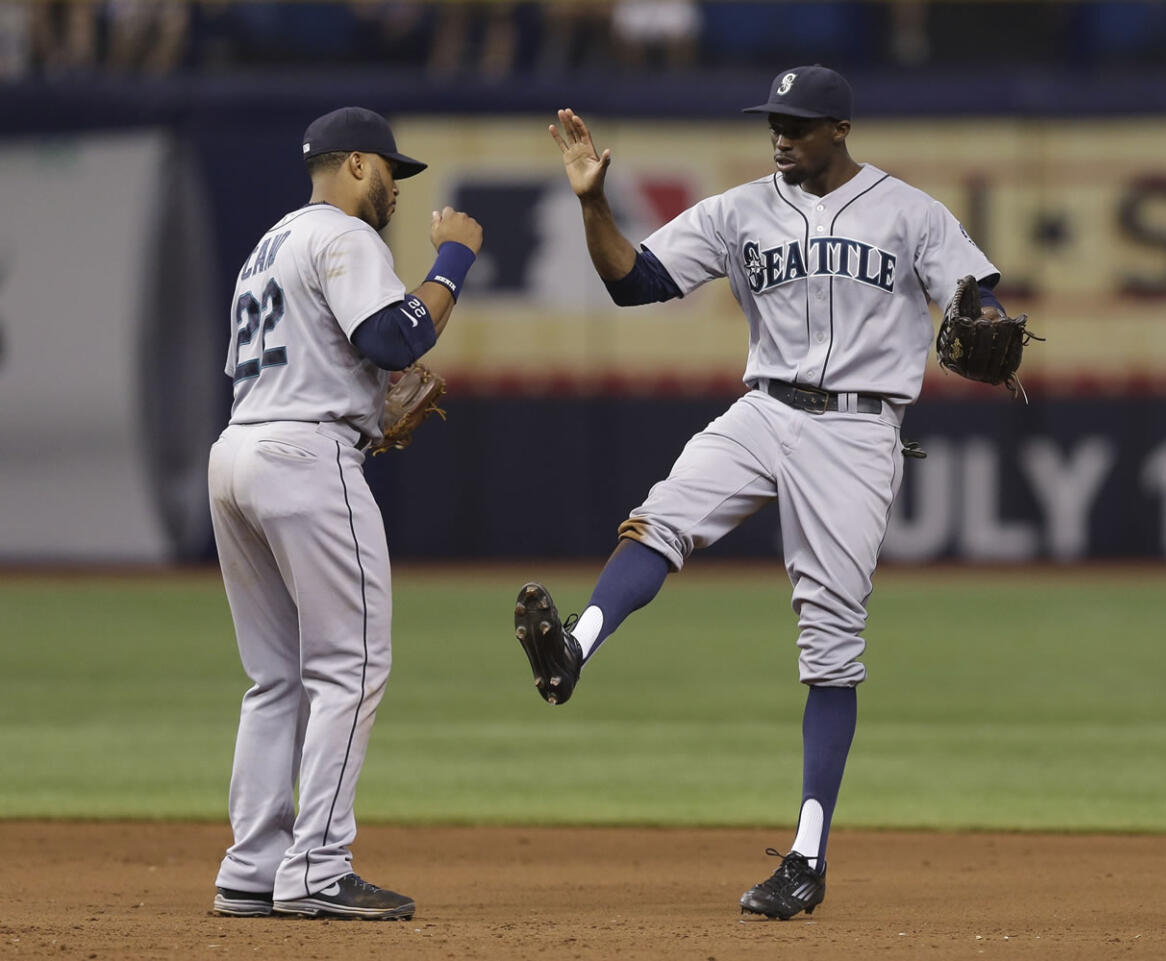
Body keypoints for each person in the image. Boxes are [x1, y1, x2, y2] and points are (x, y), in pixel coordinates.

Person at [514, 64, 1008, 920]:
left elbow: (983, 298)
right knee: (662, 514)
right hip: (765, 407)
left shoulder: (913, 214)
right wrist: (594, 203)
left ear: (840, 130)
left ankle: (808, 857)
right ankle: (572, 649)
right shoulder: (740, 208)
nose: (781, 135)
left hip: (858, 432)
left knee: (830, 643)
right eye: (774, 121)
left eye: (799, 123)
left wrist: (990, 320)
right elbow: (632, 281)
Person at [208, 106, 482, 921]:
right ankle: (316, 866)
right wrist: (456, 257)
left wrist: (357, 400)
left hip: (238, 452)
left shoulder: (266, 249)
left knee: (275, 677)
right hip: (305, 457)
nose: (396, 188)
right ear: (357, 163)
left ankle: (252, 863)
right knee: (351, 664)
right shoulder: (343, 235)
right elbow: (395, 340)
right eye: (392, 171)